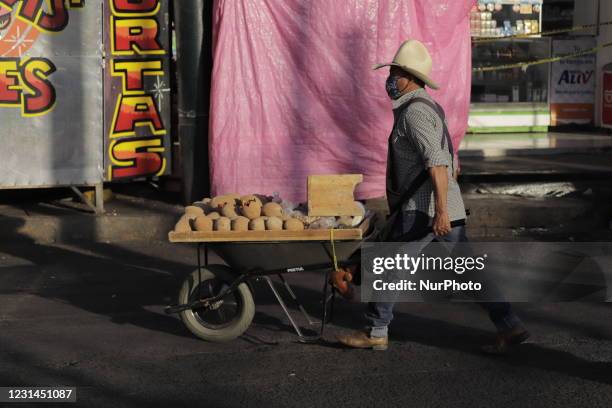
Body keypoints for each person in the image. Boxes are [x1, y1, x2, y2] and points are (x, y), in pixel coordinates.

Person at [336, 39, 529, 354]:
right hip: (442, 206)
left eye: (396, 73)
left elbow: (438, 162)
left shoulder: (415, 113)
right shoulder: (428, 107)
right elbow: (450, 163)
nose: (390, 79)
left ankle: (375, 330)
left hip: (425, 210)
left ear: (411, 78)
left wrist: (439, 210)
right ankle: (509, 324)